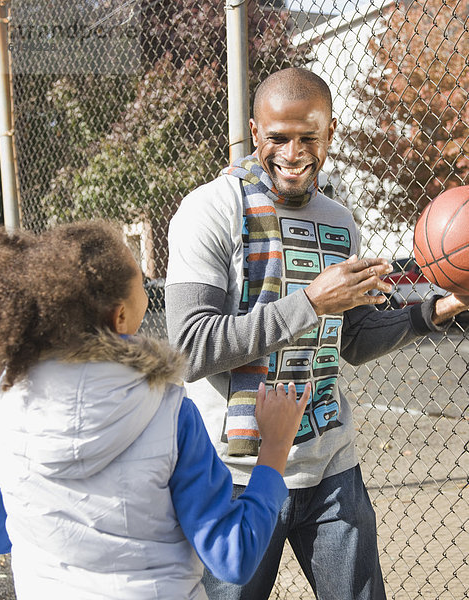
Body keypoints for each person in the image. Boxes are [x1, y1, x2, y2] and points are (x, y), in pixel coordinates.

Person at [165, 67, 469, 600]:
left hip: (330, 462)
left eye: (310, 136)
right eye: (279, 137)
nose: (294, 152)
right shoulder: (208, 210)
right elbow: (191, 349)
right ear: (255, 132)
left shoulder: (341, 222)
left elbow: (351, 338)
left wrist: (439, 307)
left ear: (330, 133)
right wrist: (309, 302)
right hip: (233, 473)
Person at [0, 220, 310, 600]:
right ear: (119, 317)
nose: (146, 287)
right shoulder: (169, 413)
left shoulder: (6, 402)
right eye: (141, 282)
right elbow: (233, 555)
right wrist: (275, 446)